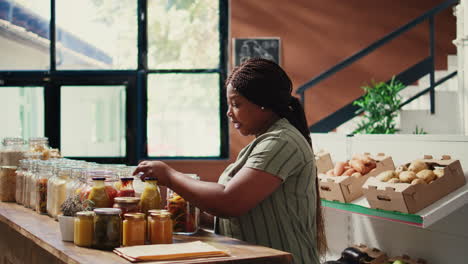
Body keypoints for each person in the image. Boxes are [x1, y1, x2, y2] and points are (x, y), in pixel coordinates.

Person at [134, 58, 327, 264]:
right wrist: (187, 214)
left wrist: (170, 177)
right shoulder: (264, 143)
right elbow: (244, 214)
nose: (229, 113)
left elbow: (229, 202)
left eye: (236, 104)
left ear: (263, 103)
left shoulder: (281, 141)